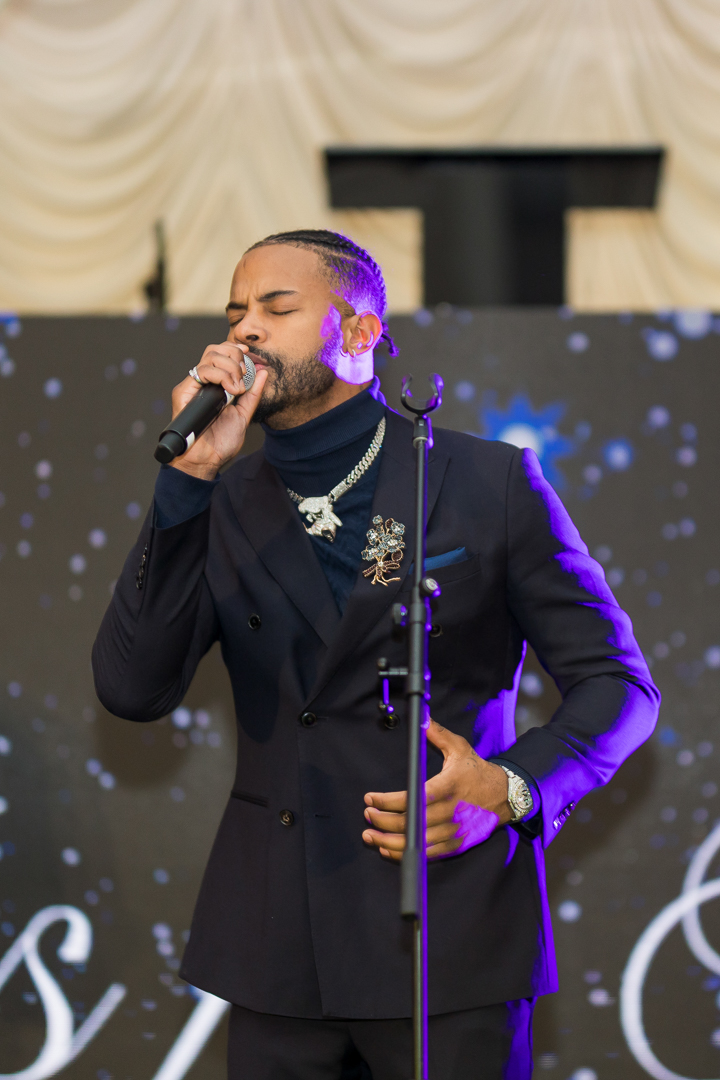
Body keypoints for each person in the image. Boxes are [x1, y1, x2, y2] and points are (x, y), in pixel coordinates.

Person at [93, 229, 660, 1080]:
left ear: (359, 333)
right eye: (236, 311)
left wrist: (508, 790)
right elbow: (132, 687)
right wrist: (189, 482)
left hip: (447, 935)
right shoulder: (221, 495)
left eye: (277, 307)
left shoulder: (485, 480)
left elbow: (619, 687)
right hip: (279, 949)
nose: (246, 329)